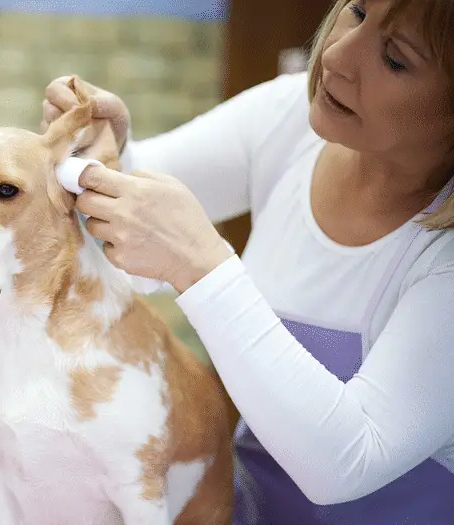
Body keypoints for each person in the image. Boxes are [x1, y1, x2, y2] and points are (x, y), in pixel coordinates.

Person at [41, 0, 454, 523]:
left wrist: (202, 267)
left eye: (395, 58)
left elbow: (345, 461)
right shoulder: (288, 119)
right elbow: (135, 201)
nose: (337, 55)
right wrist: (108, 155)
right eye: (356, 11)